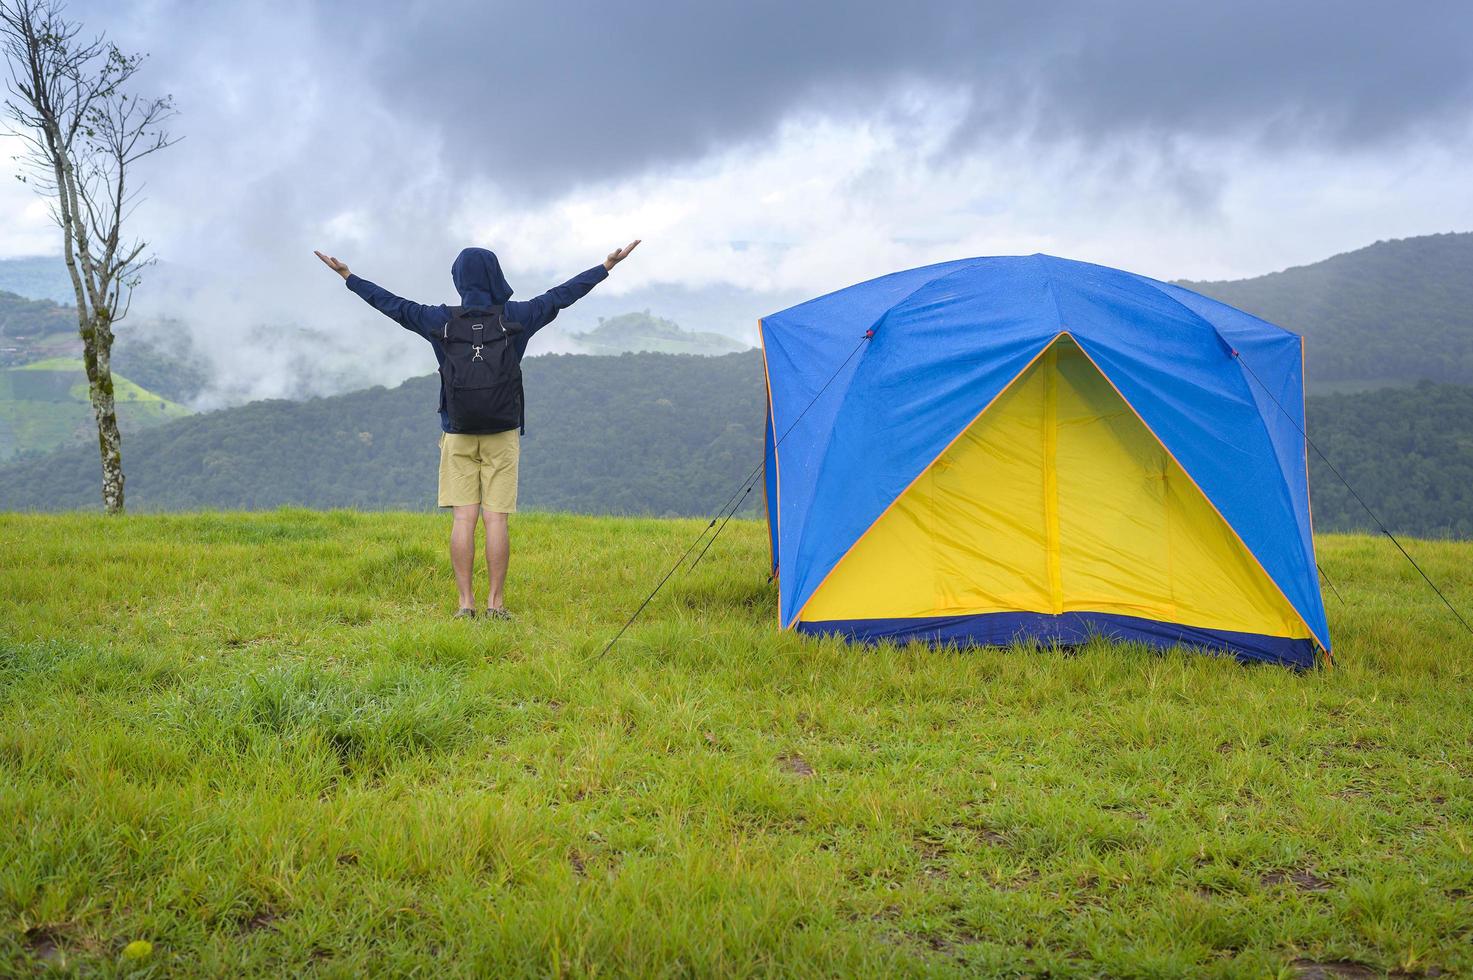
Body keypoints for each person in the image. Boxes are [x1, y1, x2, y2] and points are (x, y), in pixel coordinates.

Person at [314, 240, 641, 620]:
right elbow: (561, 296)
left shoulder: (440, 320)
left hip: (458, 430)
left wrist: (348, 277)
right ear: (495, 275)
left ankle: (465, 604)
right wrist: (605, 267)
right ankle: (496, 606)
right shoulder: (516, 316)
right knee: (496, 518)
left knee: (463, 518)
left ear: (459, 279)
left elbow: (393, 305)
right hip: (502, 432)